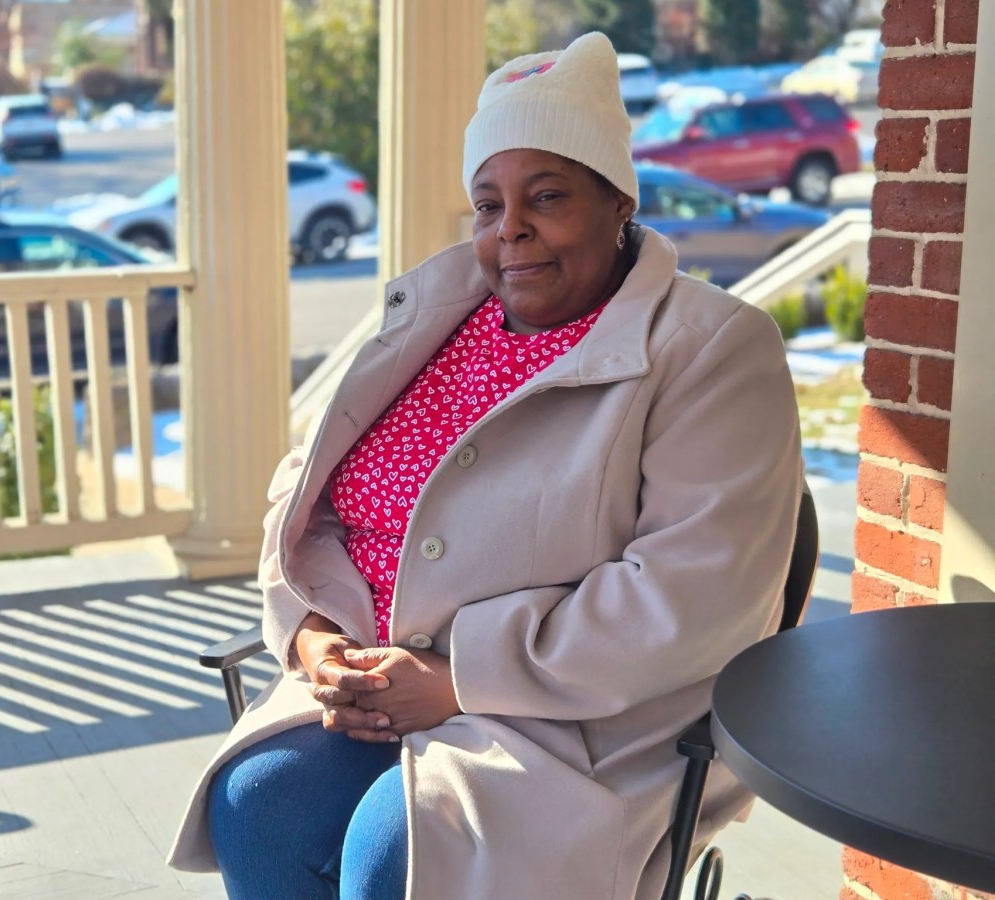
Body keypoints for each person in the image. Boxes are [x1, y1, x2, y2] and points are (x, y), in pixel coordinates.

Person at [168, 31, 802, 900]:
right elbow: (302, 484)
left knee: (402, 855)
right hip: (377, 687)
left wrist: (461, 678)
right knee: (259, 803)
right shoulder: (436, 316)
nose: (513, 232)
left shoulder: (711, 350)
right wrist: (314, 637)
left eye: (548, 196)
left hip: (571, 727)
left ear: (619, 200)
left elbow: (695, 593)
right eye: (488, 205)